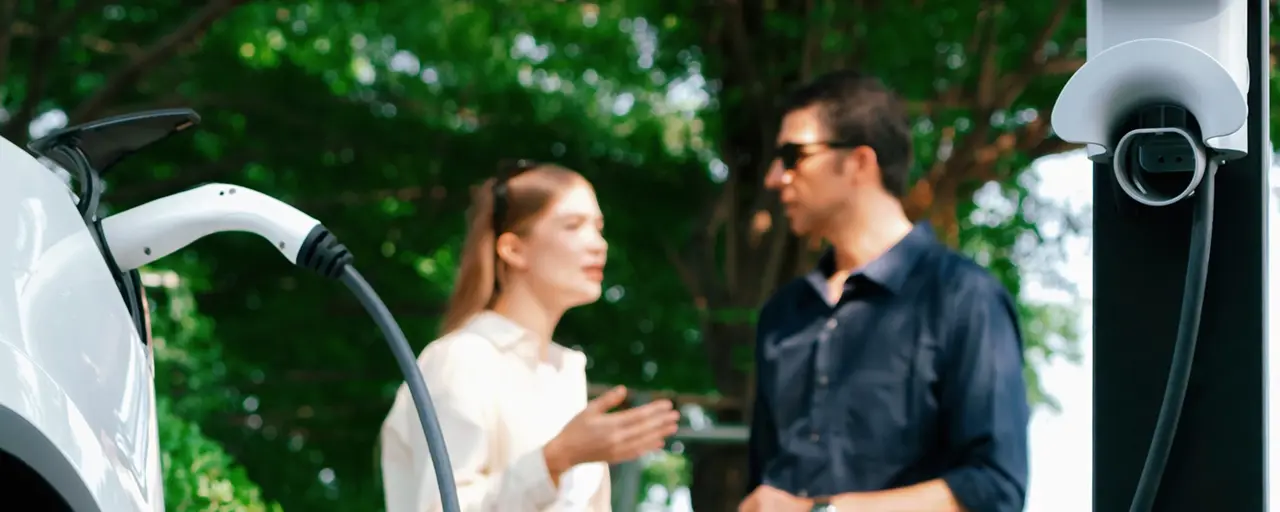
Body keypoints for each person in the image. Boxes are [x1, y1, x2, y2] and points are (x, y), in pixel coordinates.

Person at [739, 70, 1031, 512]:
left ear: (859, 162)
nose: (775, 177)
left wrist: (827, 511)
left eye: (792, 155)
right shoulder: (782, 314)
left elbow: (995, 486)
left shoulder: (964, 297)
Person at [379, 160, 681, 512]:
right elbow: (440, 507)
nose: (598, 244)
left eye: (599, 228)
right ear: (513, 249)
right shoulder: (461, 360)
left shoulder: (564, 373)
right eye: (573, 226)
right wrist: (554, 459)